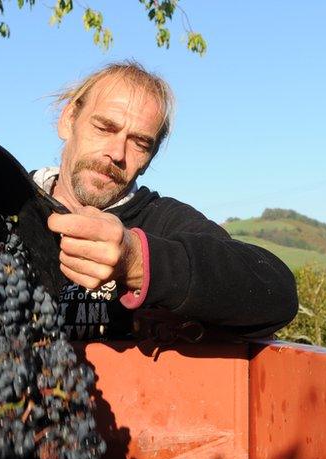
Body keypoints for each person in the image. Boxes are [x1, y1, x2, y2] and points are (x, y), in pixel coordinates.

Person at [32, 60, 298, 342]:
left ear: (149, 159)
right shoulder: (5, 203)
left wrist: (137, 261)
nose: (117, 152)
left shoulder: (162, 220)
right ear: (68, 120)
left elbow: (275, 291)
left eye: (139, 143)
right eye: (105, 128)